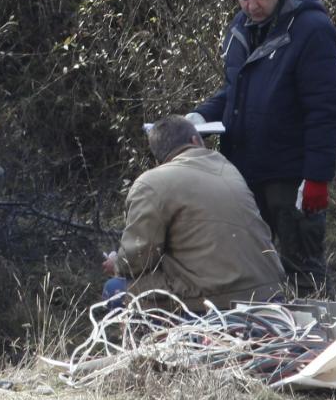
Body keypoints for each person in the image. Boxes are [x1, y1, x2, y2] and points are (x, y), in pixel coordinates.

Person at [190, 0, 336, 297]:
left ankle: (326, 340)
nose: (252, 6)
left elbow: (325, 110)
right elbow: (235, 90)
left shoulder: (312, 29)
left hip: (291, 174)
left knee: (303, 271)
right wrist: (199, 116)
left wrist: (317, 177)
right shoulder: (238, 28)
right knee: (247, 267)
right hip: (243, 171)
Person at [102, 116, 285, 312]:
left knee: (115, 289)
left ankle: (152, 340)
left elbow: (136, 261)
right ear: (196, 141)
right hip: (269, 294)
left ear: (157, 156)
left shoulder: (151, 183)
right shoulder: (228, 169)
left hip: (216, 302)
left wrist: (117, 265)